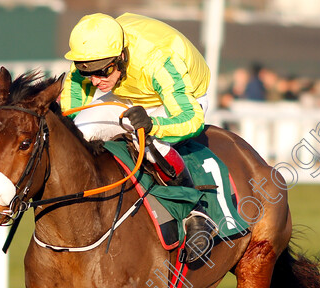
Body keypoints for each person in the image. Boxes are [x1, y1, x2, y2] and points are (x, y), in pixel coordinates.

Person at [60, 12, 217, 262]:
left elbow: (192, 119)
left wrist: (153, 124)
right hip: (128, 95)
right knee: (79, 135)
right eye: (88, 72)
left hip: (183, 99)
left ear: (121, 56)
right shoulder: (91, 56)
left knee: (148, 142)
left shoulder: (158, 59)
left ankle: (196, 214)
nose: (95, 80)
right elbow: (70, 112)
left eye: (103, 71)